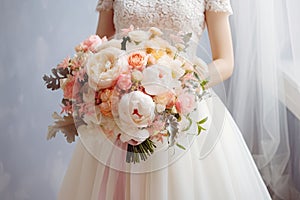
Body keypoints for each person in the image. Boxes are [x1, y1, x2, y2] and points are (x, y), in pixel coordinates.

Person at [58, 0, 272, 199]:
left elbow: (225, 61)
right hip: (121, 108)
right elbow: (99, 47)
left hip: (182, 107)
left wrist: (180, 85)